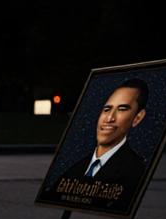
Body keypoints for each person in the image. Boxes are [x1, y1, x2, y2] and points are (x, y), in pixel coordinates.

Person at [53, 78, 150, 210]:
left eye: (122, 109)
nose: (109, 118)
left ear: (137, 118)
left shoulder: (136, 169)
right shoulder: (76, 169)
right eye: (106, 109)